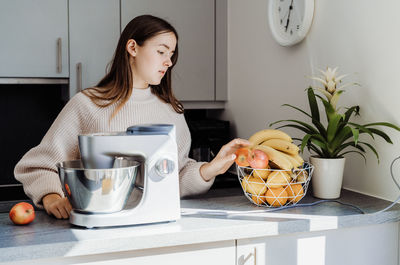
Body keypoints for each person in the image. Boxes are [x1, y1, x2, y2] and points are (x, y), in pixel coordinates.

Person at [14, 15, 250, 219]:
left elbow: (172, 179)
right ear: (133, 48)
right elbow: (37, 166)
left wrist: (212, 168)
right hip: (97, 226)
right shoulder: (87, 104)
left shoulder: (171, 111)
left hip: (153, 225)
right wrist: (52, 196)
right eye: (161, 52)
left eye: (171, 55)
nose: (168, 62)